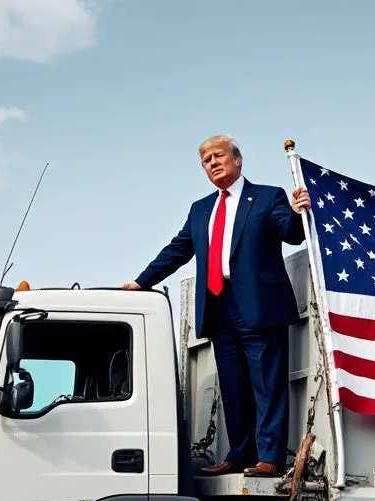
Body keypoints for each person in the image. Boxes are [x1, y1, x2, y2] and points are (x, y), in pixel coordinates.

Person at [124, 134, 311, 477]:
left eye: (218, 156)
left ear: (237, 160)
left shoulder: (268, 196)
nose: (212, 163)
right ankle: (239, 454)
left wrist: (299, 212)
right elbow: (178, 249)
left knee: (267, 385)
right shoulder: (200, 209)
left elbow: (291, 233)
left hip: (259, 304)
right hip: (217, 306)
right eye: (206, 160)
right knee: (233, 387)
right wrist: (141, 282)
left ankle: (270, 457)